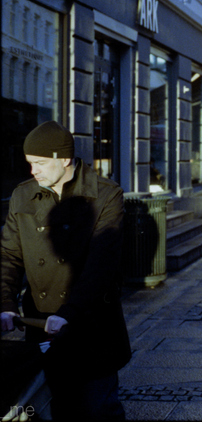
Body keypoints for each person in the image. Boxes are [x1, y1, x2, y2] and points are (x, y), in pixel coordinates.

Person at [1, 121, 131, 420]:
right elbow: (9, 255)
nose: (33, 171)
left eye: (40, 163)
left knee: (98, 409)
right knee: (51, 408)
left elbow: (102, 265)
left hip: (91, 325)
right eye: (30, 163)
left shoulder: (106, 195)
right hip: (41, 323)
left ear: (65, 159)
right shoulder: (23, 195)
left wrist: (69, 312)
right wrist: (6, 304)